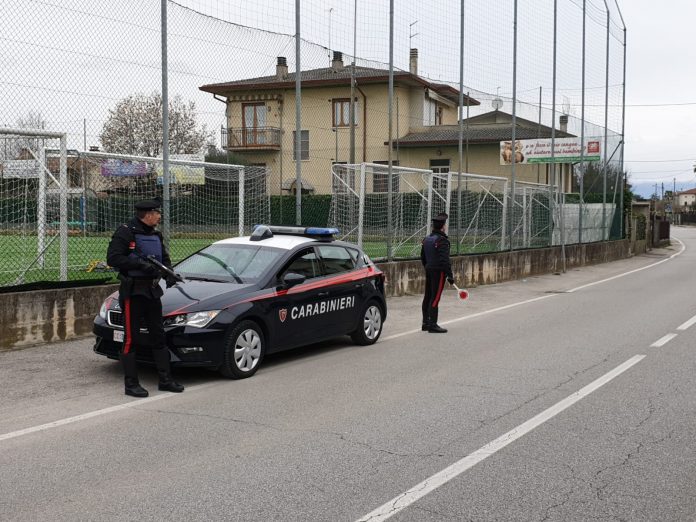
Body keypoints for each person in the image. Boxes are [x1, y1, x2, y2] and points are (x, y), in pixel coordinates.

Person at [106, 198, 184, 397]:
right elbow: (113, 258)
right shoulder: (126, 232)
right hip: (133, 293)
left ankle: (165, 380)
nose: (159, 216)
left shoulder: (155, 235)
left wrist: (170, 275)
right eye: (157, 213)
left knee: (158, 336)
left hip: (152, 291)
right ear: (148, 214)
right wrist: (140, 265)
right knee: (131, 338)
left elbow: (164, 259)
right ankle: (131, 384)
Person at [420, 212, 454, 333]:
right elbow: (445, 260)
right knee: (435, 297)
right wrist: (450, 276)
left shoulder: (427, 239)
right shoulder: (442, 240)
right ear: (443, 226)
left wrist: (427, 267)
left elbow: (423, 257)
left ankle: (425, 322)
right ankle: (433, 325)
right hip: (438, 272)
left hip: (429, 269)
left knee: (428, 296)